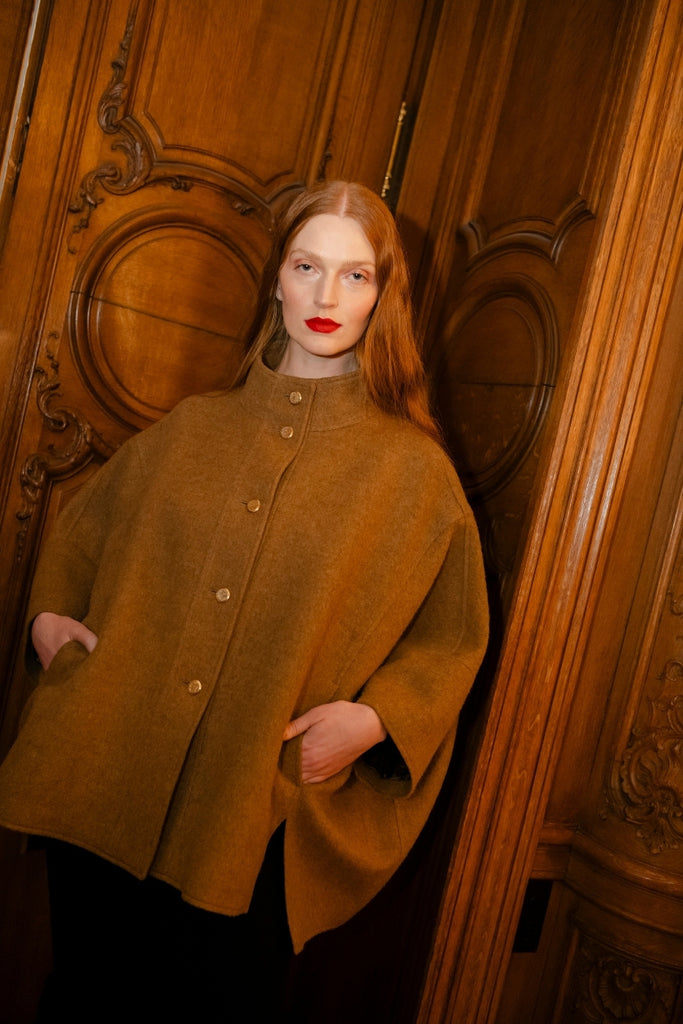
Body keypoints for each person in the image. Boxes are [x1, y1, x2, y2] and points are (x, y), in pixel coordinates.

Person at [0, 181, 488, 1021]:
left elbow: (452, 637)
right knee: (80, 1001)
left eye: (355, 275)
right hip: (108, 777)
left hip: (253, 814)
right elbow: (80, 540)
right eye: (306, 267)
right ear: (276, 281)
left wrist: (374, 721)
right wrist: (50, 624)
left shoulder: (414, 475)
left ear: (382, 297)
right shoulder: (192, 429)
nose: (326, 297)